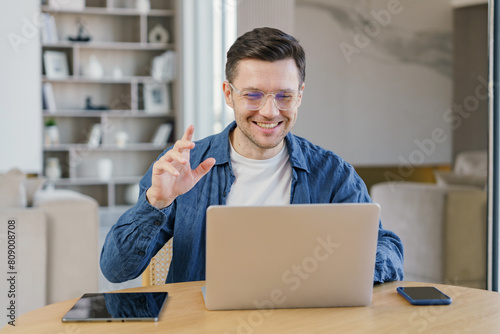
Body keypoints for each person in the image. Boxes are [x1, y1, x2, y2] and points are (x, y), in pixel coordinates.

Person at [100, 27, 404, 284]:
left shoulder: (333, 173)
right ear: (229, 94)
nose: (270, 112)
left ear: (300, 95)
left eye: (284, 96)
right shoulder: (182, 166)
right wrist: (158, 202)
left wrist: (344, 271)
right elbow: (116, 270)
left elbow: (387, 248)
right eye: (253, 94)